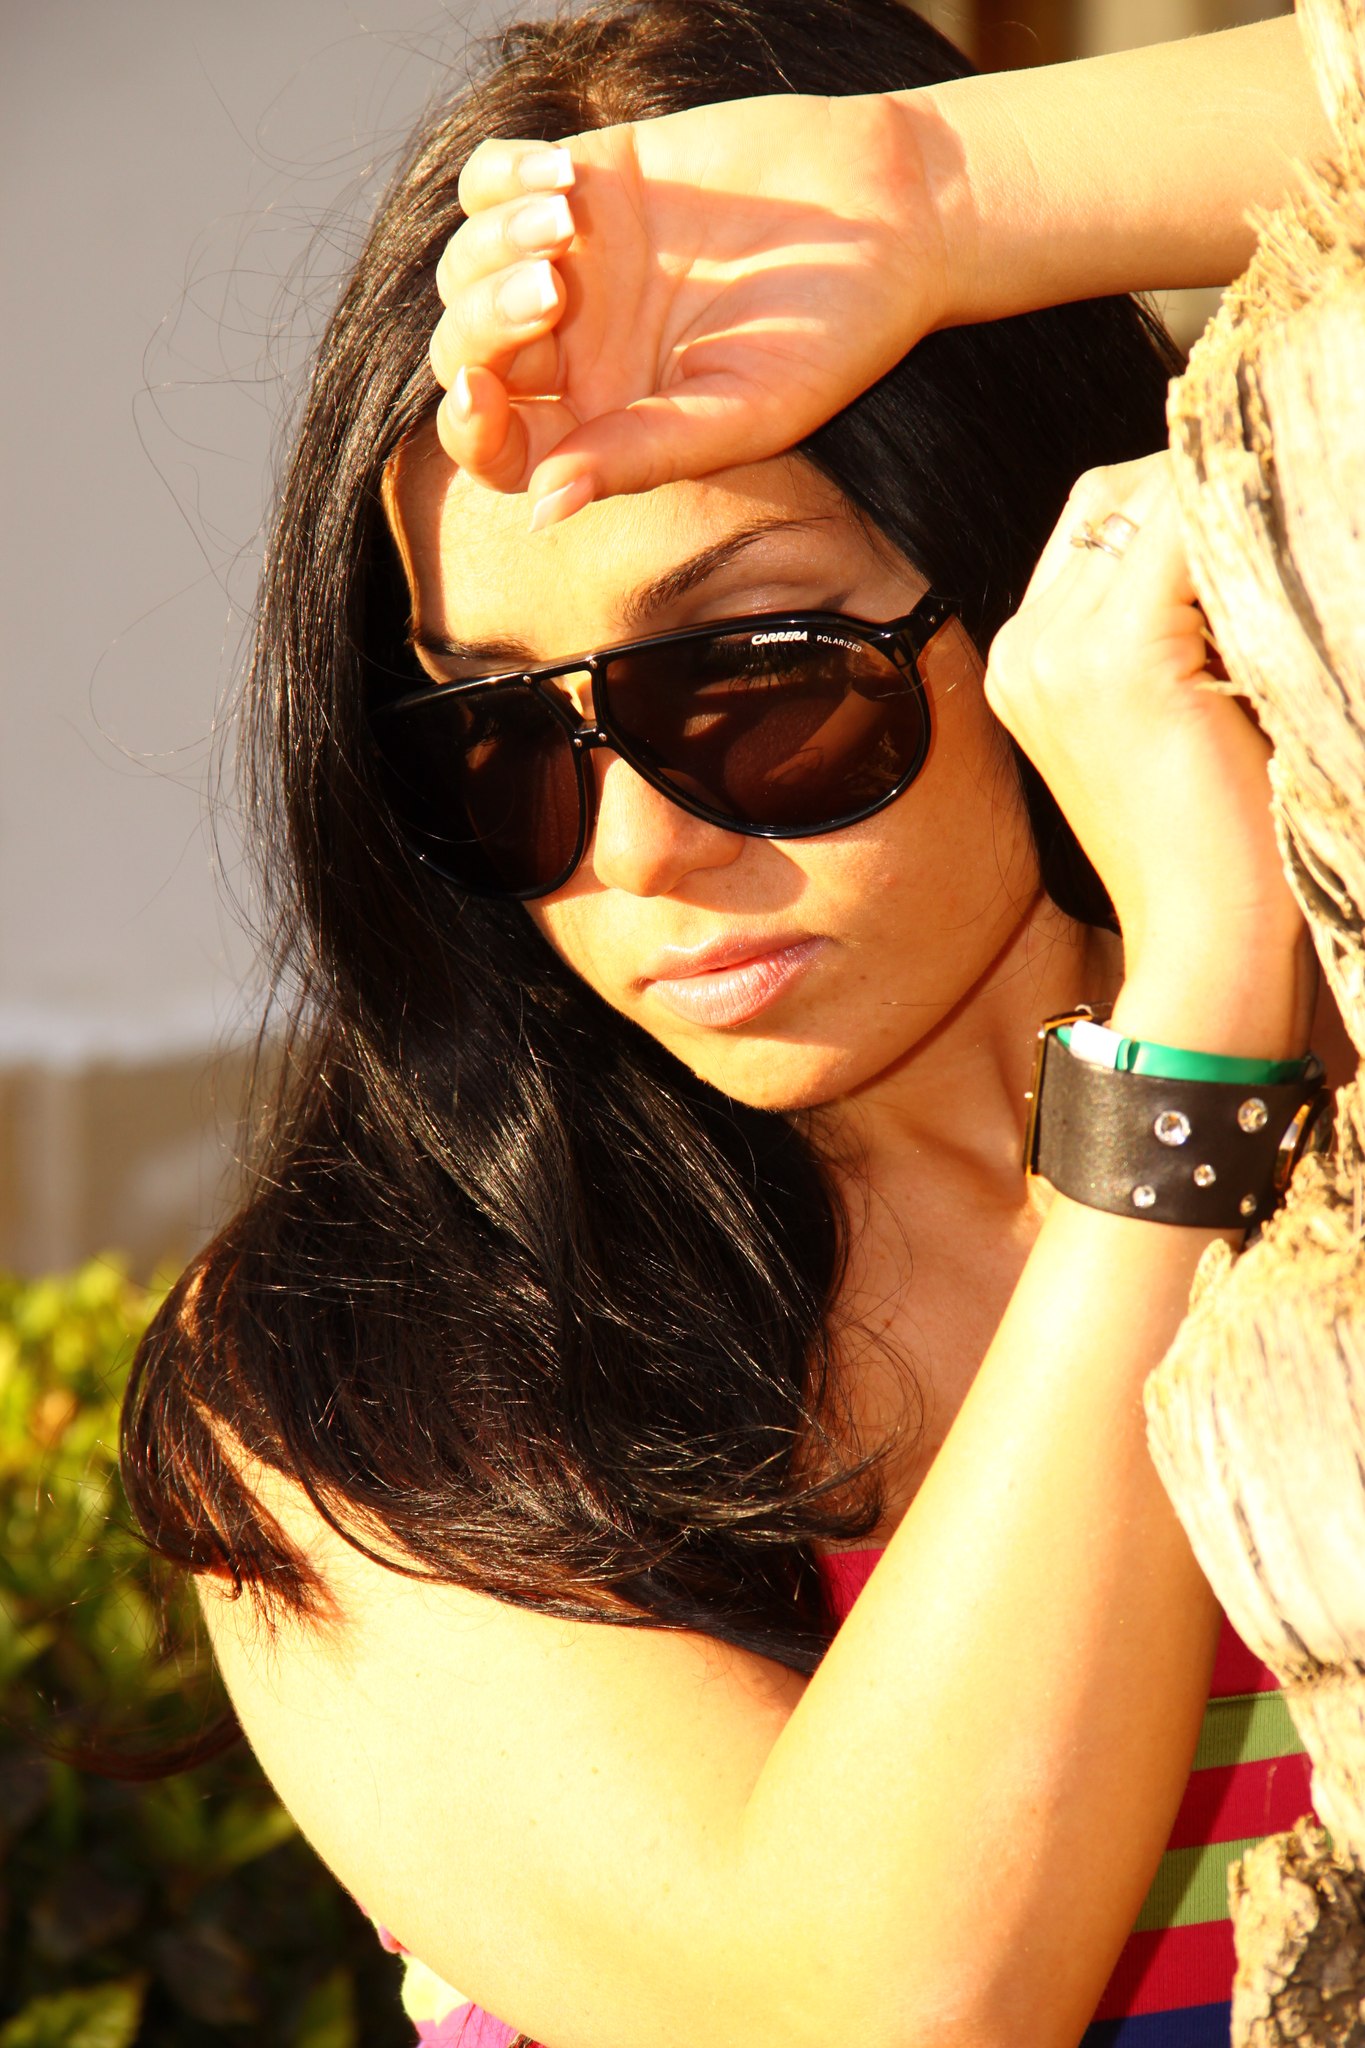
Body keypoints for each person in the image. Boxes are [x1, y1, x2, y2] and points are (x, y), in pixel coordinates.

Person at [119, 3, 1342, 2044]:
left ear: (1044, 565)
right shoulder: (362, 1368)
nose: (634, 853)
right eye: (496, 742)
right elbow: (867, 2006)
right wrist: (1189, 1042)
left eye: (751, 683)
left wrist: (945, 192)